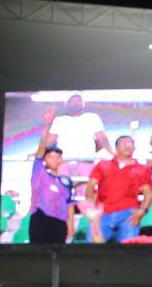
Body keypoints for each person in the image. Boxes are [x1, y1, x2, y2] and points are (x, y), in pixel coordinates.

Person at [86, 135, 152, 242]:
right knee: (92, 248)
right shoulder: (103, 165)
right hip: (103, 213)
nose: (127, 146)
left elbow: (148, 193)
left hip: (129, 214)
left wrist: (142, 211)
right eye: (124, 143)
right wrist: (92, 207)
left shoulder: (142, 169)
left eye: (130, 143)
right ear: (116, 148)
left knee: (129, 250)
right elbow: (90, 186)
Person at [28, 108, 74, 244]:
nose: (54, 160)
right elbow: (41, 149)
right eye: (51, 158)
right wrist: (47, 125)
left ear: (61, 160)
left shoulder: (66, 181)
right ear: (45, 160)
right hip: (40, 220)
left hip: (59, 223)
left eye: (57, 158)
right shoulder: (39, 174)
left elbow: (70, 204)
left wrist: (70, 225)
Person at [45, 93, 109, 161]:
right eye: (73, 101)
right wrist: (47, 124)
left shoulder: (92, 117)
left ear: (83, 104)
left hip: (87, 161)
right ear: (66, 104)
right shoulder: (59, 120)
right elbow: (49, 143)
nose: (76, 103)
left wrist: (90, 152)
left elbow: (103, 140)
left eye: (79, 101)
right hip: (65, 162)